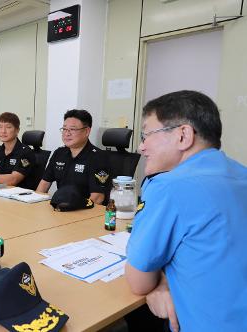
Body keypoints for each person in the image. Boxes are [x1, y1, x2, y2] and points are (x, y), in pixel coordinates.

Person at [125, 90, 247, 332]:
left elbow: (138, 282)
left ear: (183, 135)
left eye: (146, 135)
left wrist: (159, 280)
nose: (140, 147)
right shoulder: (241, 174)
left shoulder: (170, 187)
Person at [36, 109, 109, 205]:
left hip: (85, 212)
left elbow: (97, 198)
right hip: (61, 208)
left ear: (87, 131)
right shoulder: (59, 153)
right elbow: (44, 184)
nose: (67, 133)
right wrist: (35, 204)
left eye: (72, 129)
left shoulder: (98, 157)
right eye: (64, 129)